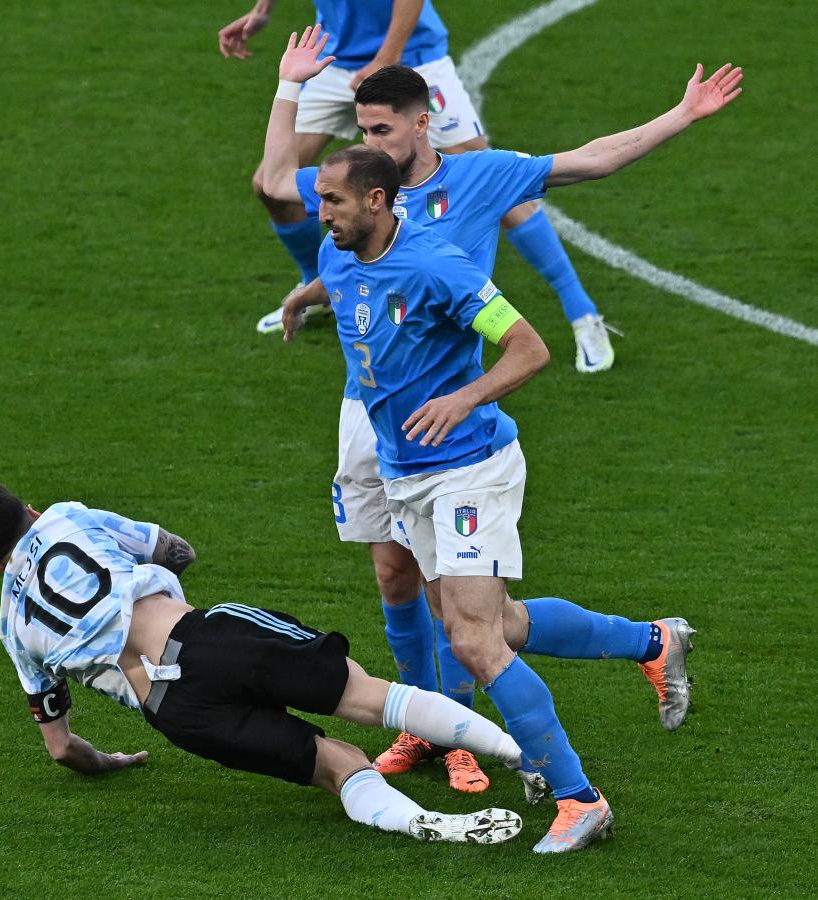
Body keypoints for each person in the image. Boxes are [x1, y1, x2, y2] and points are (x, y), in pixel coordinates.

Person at [264, 27, 724, 781]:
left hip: (449, 409)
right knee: (398, 579)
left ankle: (461, 734)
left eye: (381, 128)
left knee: (466, 613)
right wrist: (310, 289)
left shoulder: (478, 179)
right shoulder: (348, 200)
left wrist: (679, 115)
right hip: (372, 405)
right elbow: (316, 224)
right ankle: (441, 722)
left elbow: (593, 158)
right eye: (362, 129)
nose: (369, 139)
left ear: (424, 120)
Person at [294, 141, 655, 852]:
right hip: (407, 476)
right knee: (499, 622)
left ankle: (579, 798)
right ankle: (651, 640)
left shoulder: (437, 268)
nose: (319, 212)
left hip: (470, 468)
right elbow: (337, 283)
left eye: (331, 200)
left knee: (470, 640)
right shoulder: (338, 252)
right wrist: (299, 299)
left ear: (374, 200)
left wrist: (463, 398)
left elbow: (527, 348)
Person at [0, 484, 548, 844]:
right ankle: (522, 756)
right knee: (371, 698)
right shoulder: (67, 517)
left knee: (336, 765)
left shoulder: (12, 628)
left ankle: (430, 826)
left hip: (175, 710)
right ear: (31, 510)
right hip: (204, 636)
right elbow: (176, 549)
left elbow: (62, 748)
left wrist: (110, 761)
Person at [221, 2, 616, 372]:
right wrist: (262, 10)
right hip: (335, 60)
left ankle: (581, 312)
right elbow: (278, 180)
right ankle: (318, 287)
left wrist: (384, 60)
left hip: (411, 59)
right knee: (269, 187)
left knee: (493, 189)